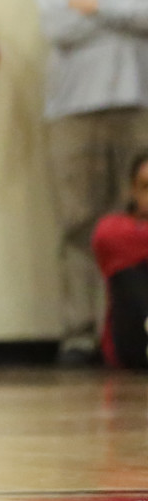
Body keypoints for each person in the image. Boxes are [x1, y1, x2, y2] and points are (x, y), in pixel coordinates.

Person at [36, 0, 148, 367]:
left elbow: (81, 15)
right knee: (80, 223)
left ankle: (134, 330)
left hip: (139, 102)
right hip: (75, 107)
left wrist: (96, 5)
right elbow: (57, 25)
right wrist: (131, 10)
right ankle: (80, 335)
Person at [91, 151, 148, 369]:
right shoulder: (113, 227)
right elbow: (104, 237)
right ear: (133, 191)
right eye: (146, 187)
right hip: (134, 341)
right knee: (128, 274)